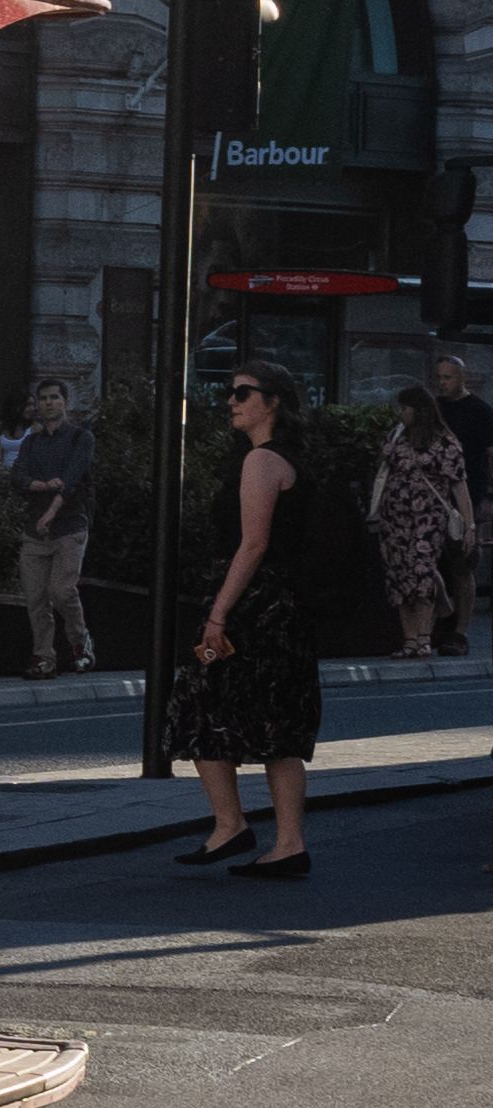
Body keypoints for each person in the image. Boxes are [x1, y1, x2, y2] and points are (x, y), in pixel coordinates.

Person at [174, 368, 319, 878]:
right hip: (284, 612)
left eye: (242, 393)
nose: (231, 401)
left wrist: (218, 613)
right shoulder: (290, 458)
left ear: (272, 402)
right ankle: (288, 843)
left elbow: (253, 543)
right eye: (229, 392)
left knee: (196, 702)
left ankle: (230, 824)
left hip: (250, 611)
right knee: (278, 724)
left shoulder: (261, 460)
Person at [0, 375, 93, 677]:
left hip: (69, 526)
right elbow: (18, 477)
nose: (49, 403)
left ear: (66, 402)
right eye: (44, 399)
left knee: (62, 590)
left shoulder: (80, 438)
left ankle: (80, 644)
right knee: (35, 597)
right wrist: (37, 485)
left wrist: (51, 510)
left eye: (55, 398)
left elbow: (72, 480)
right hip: (34, 530)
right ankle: (44, 657)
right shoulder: (32, 441)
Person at [372, 383, 470, 661]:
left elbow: (458, 485)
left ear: (420, 410)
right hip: (395, 518)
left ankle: (425, 637)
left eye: (405, 407)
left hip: (427, 516)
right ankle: (410, 639)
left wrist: (469, 524)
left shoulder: (444, 442)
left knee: (421, 571)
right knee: (398, 575)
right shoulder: (398, 435)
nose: (400, 413)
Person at [437, 354, 493, 650]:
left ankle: (459, 630)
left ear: (462, 378)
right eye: (440, 377)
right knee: (434, 561)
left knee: (463, 562)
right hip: (437, 496)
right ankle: (444, 619)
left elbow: (489, 455)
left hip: (469, 493)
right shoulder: (436, 408)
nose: (443, 383)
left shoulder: (480, 411)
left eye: (448, 377)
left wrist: (487, 497)